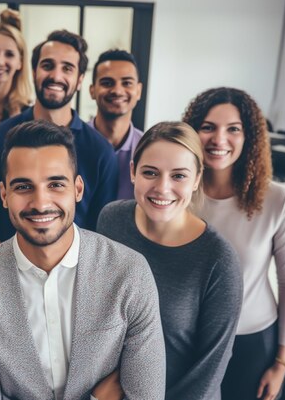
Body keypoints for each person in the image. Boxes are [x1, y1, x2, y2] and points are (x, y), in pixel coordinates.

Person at [0, 120, 165, 400]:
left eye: (55, 184)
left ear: (78, 189)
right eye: (24, 186)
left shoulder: (130, 274)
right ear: (4, 195)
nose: (40, 203)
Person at [97, 122, 243, 400]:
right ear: (132, 172)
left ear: (198, 179)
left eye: (179, 176)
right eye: (150, 173)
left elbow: (210, 369)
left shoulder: (218, 260)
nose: (162, 188)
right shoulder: (111, 220)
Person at [183, 87, 285, 400]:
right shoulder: (179, 195)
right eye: (208, 127)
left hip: (251, 342)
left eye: (233, 129)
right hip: (190, 341)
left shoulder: (278, 201)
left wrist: (282, 362)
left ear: (248, 136)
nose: (219, 139)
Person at [0, 29, 119, 260]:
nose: (56, 76)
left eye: (67, 68)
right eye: (47, 65)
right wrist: (15, 270)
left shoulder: (101, 152)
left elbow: (102, 234)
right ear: (34, 72)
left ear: (79, 80)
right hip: (6, 269)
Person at [88, 49, 144, 199]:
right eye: (107, 83)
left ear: (138, 91)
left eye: (126, 83)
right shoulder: (71, 142)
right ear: (92, 90)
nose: (117, 91)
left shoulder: (148, 148)